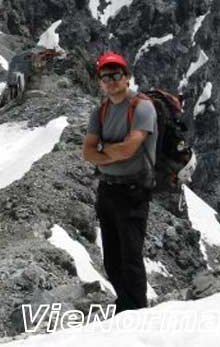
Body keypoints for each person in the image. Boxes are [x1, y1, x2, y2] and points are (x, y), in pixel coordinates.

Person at [82, 51, 158, 314]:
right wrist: (112, 150)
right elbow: (87, 153)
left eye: (116, 75)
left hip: (134, 190)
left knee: (131, 256)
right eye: (105, 76)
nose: (111, 80)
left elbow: (129, 149)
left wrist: (104, 149)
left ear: (127, 77)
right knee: (112, 259)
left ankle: (137, 312)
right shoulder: (99, 111)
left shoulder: (142, 106)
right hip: (108, 189)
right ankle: (124, 306)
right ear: (100, 82)